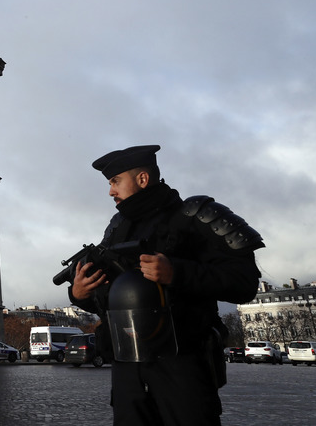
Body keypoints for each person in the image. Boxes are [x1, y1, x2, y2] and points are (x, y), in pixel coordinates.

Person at [66, 145, 264, 426]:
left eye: (115, 182)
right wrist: (79, 294)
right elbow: (112, 296)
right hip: (128, 372)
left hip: (183, 366)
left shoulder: (198, 216)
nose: (110, 191)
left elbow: (245, 284)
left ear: (142, 179)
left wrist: (177, 273)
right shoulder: (116, 228)